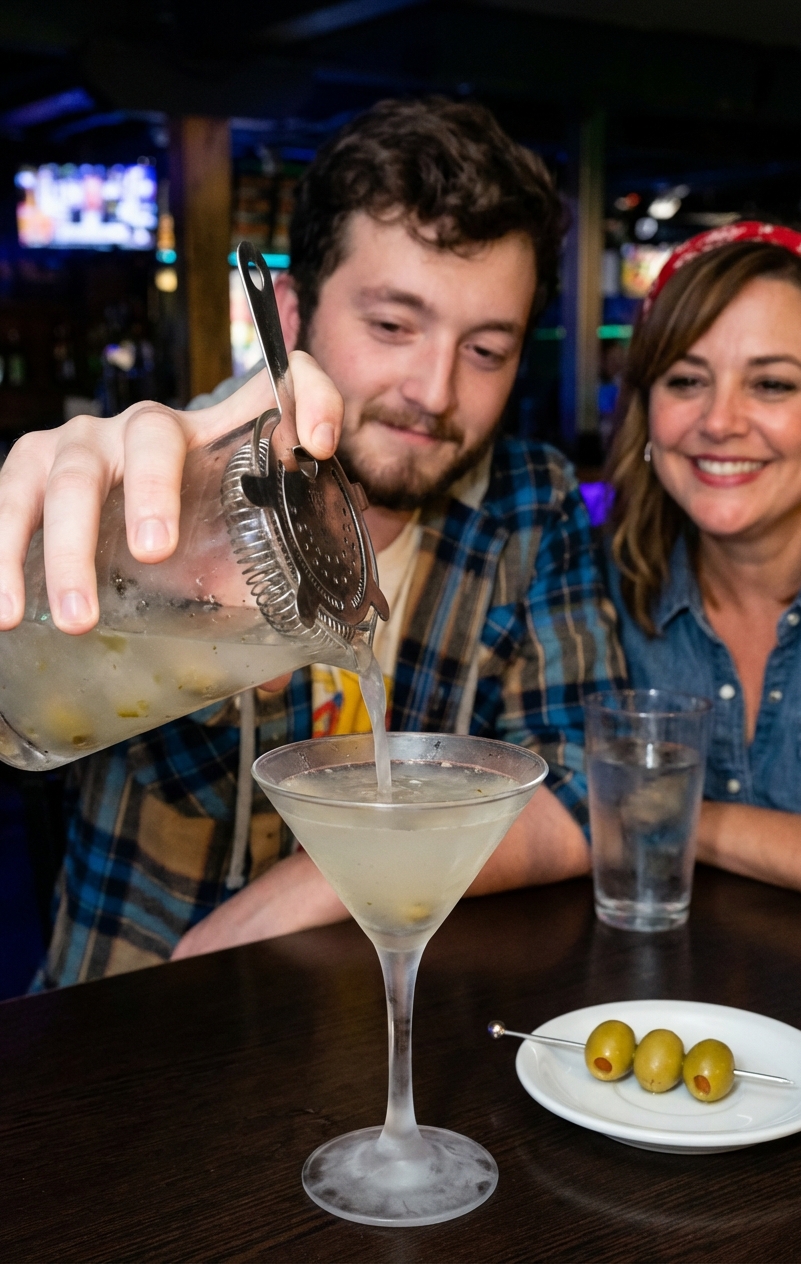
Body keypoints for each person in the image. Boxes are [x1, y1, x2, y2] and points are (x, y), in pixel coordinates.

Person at [0, 98, 625, 987]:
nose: (435, 392)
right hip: (127, 1037)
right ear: (288, 313)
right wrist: (60, 541)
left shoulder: (532, 507)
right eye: (392, 326)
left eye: (487, 349)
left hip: (382, 1036)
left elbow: (589, 796)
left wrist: (312, 883)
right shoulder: (155, 478)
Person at [605, 222, 801, 904]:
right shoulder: (595, 590)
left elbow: (608, 820)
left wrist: (686, 819)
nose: (719, 421)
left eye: (771, 384)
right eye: (686, 380)